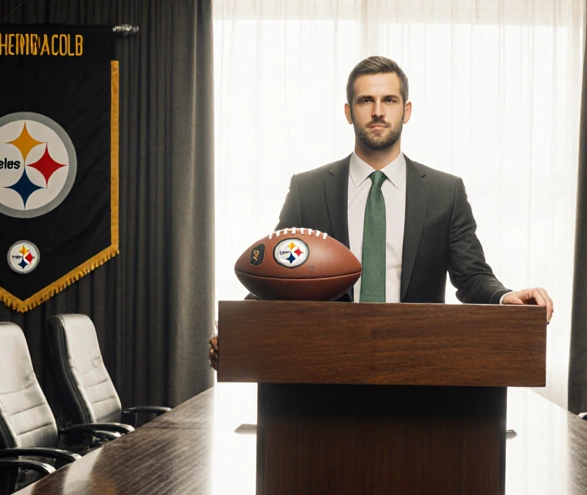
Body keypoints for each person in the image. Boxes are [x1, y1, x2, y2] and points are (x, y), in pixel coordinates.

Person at [210, 56, 552, 370]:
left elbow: (471, 276)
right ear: (348, 112)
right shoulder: (308, 190)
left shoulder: (445, 193)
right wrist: (238, 332)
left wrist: (505, 297)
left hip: (417, 369)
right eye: (365, 101)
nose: (377, 111)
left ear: (406, 110)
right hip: (326, 368)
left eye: (389, 100)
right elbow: (278, 272)